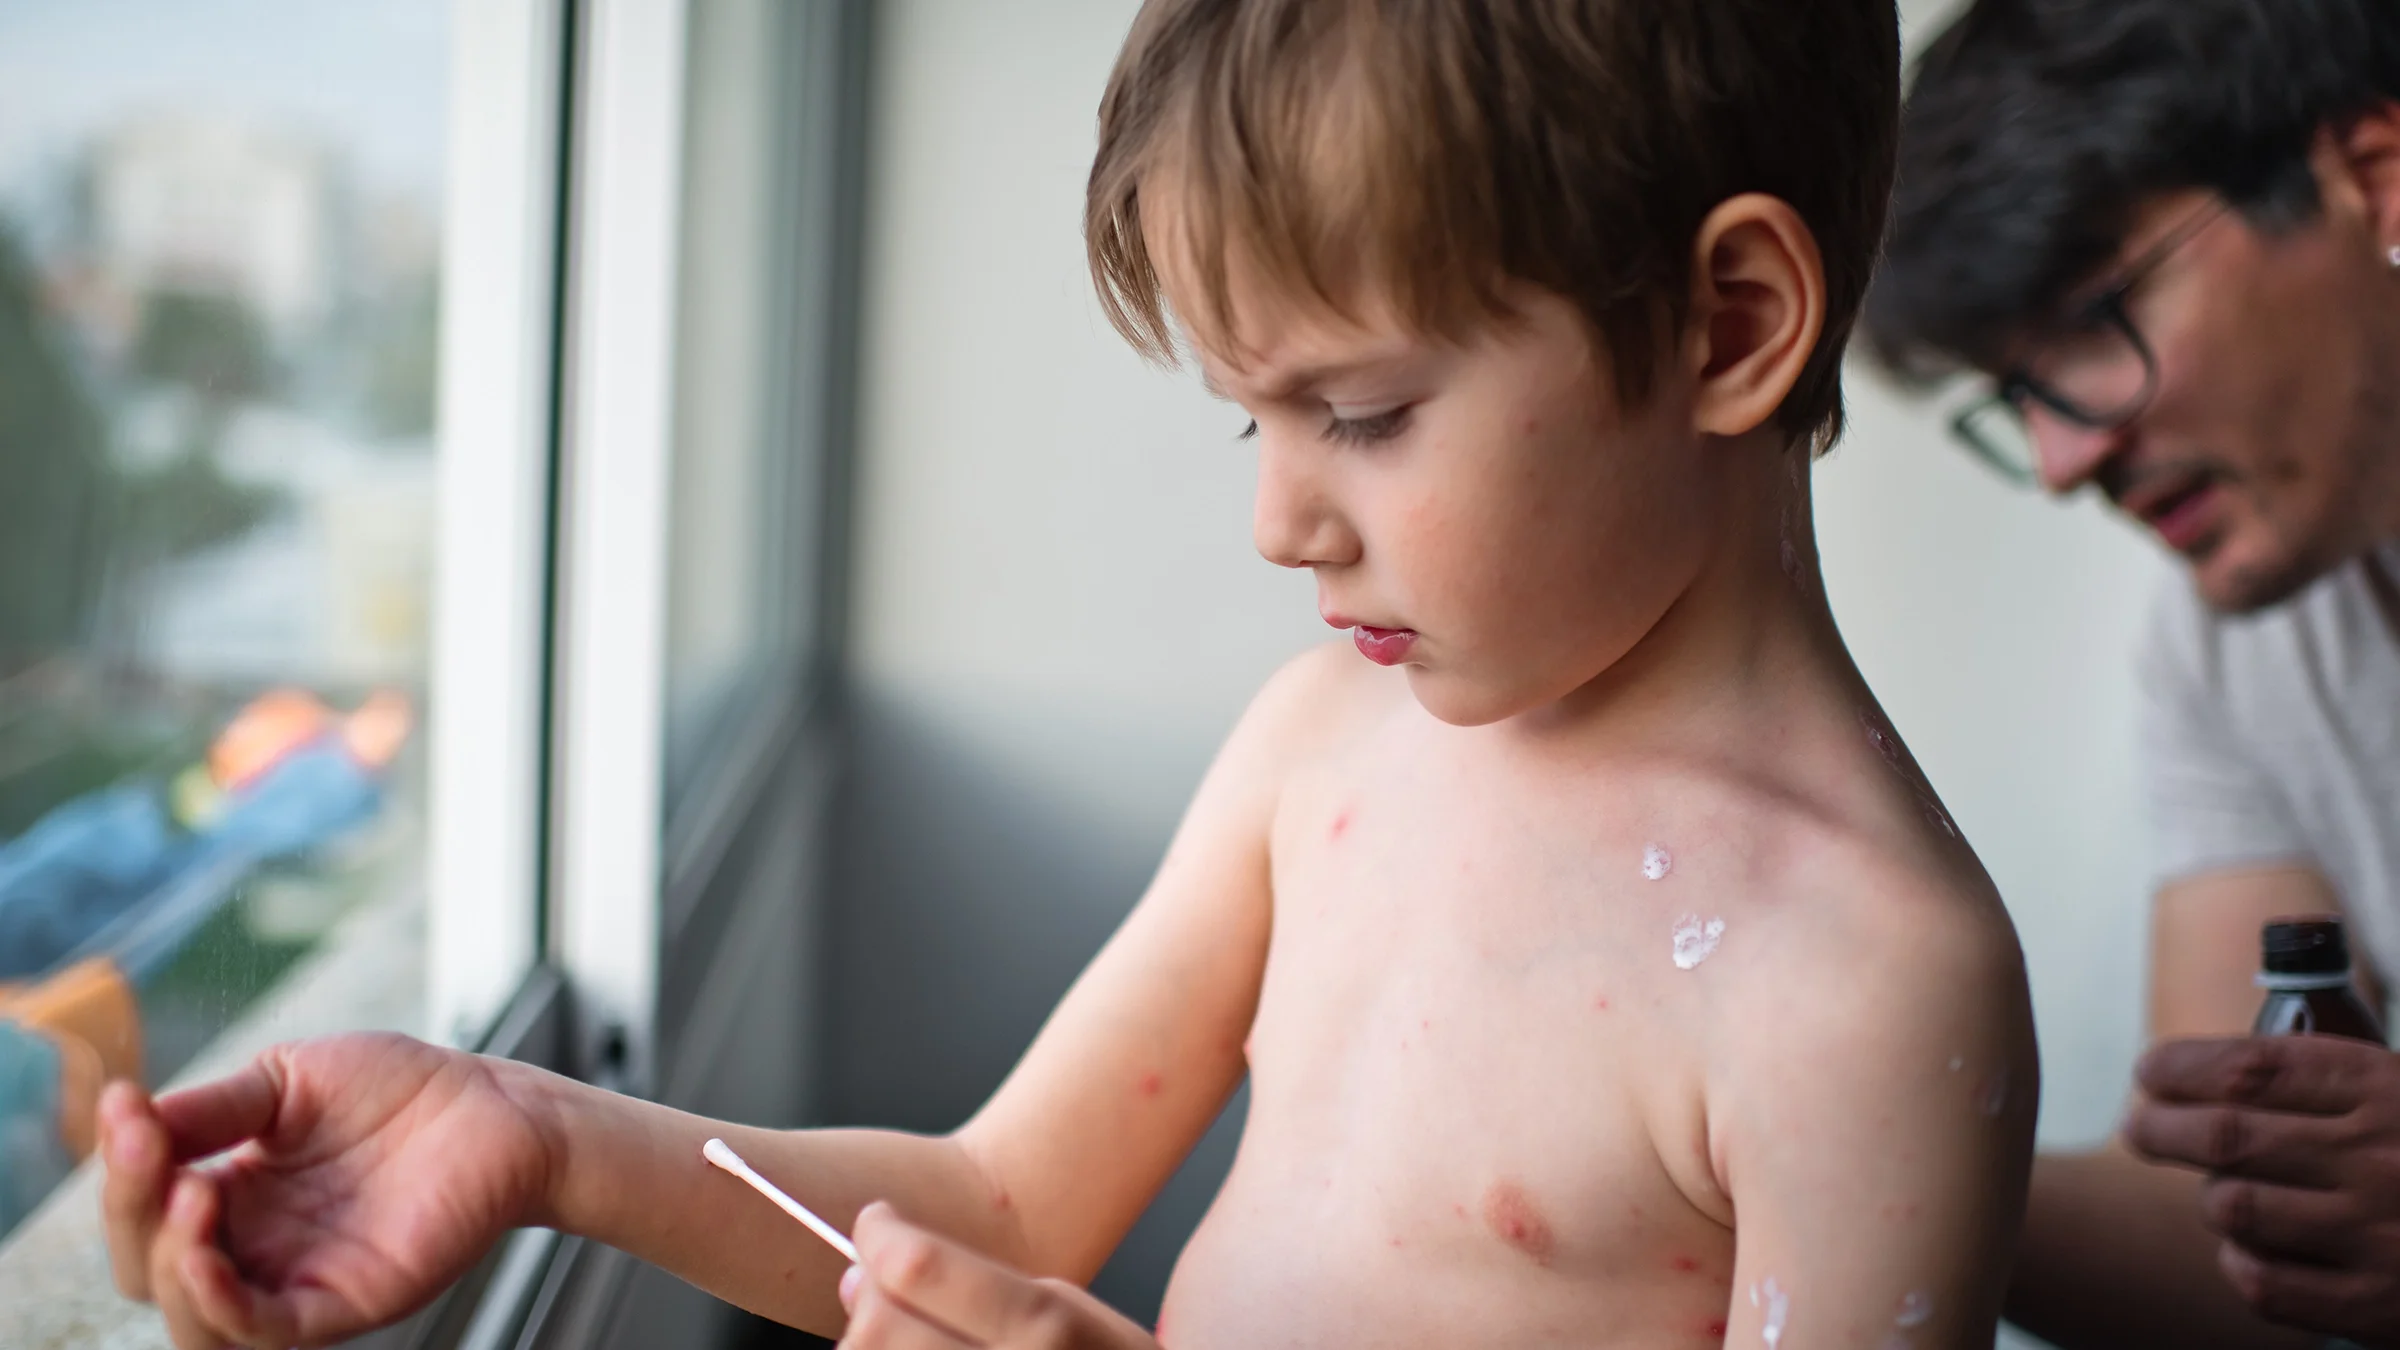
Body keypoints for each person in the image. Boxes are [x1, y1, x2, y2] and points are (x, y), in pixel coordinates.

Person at [95, 1, 2038, 1347]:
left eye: (1359, 412)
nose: (1282, 520)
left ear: (1730, 323)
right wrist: (529, 1139)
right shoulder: (1323, 753)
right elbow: (1002, 1206)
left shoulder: (1858, 989)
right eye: (1246, 424)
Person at [1864, 2, 2400, 1347]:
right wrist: (1799, 1150)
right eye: (2016, 393)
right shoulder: (2227, 650)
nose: (2060, 461)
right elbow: (2237, 1250)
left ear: (2374, 180)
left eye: (2096, 322)